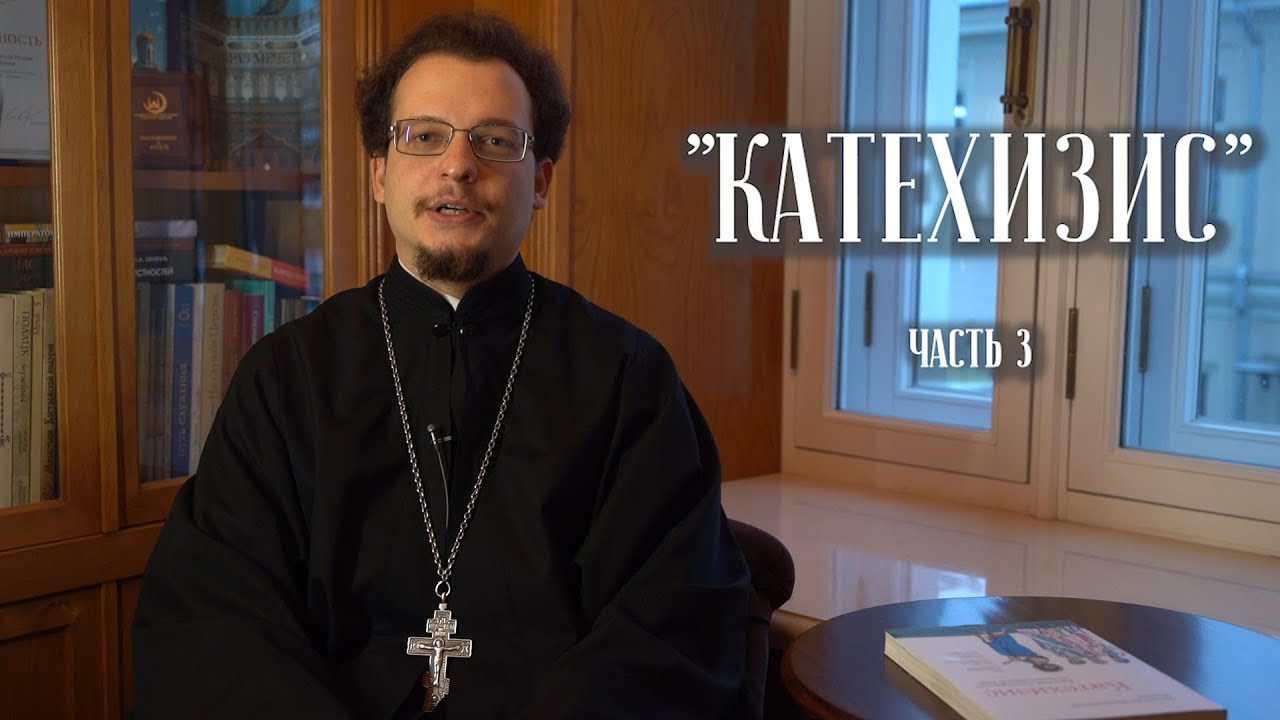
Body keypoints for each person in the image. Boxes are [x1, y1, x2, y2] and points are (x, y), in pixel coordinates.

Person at [131, 10, 754, 720]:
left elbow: (669, 628)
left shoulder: (628, 379)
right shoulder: (285, 379)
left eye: (495, 140)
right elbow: (215, 621)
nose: (458, 164)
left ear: (541, 181)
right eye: (424, 136)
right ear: (379, 174)